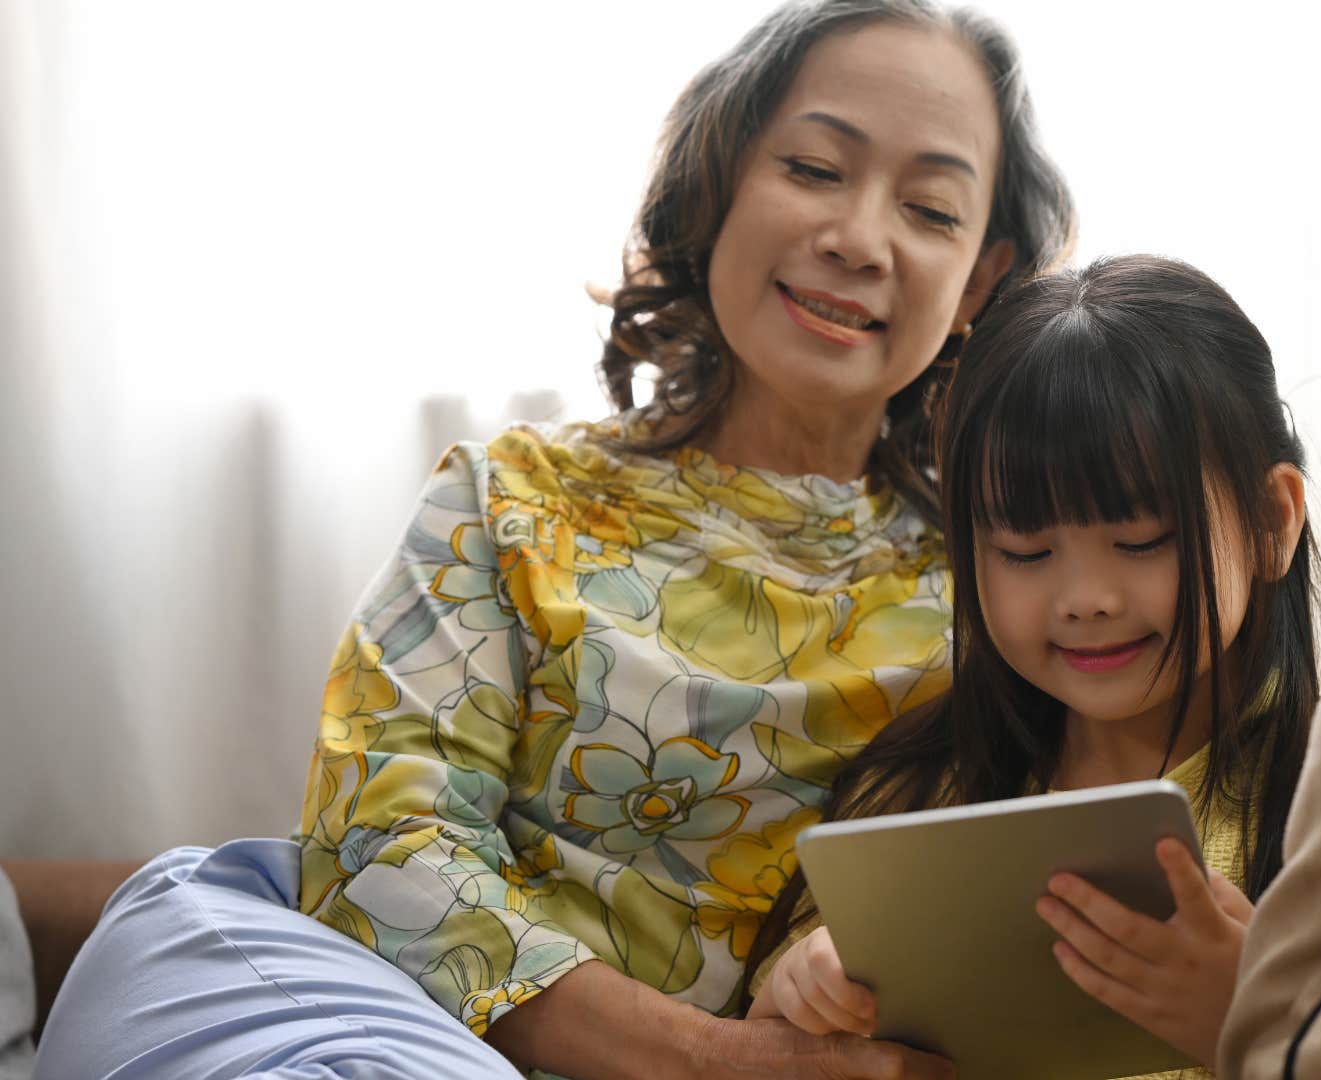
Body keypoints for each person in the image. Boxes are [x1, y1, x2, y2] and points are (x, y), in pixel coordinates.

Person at [31, 3, 1073, 1078]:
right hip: (396, 1034)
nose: (859, 238)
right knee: (180, 918)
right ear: (718, 188)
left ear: (980, 285)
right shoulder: (510, 497)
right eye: (813, 168)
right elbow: (381, 847)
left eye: (929, 209)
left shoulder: (1007, 588)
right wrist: (718, 1064)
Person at [742, 254, 1321, 1078]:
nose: (1084, 598)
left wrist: (1253, 1026)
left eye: (1140, 541)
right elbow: (787, 1046)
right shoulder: (917, 799)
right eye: (1025, 551)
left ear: (1273, 521)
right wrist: (797, 996)